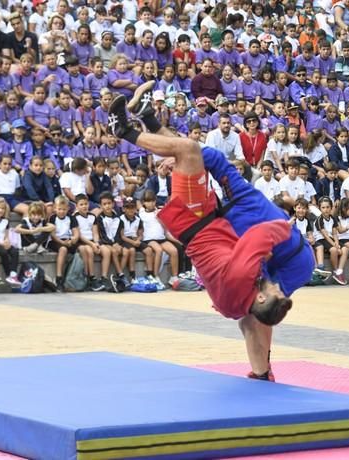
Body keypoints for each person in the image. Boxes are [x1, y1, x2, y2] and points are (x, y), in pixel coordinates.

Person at [109, 87, 312, 381]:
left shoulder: (241, 211)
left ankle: (262, 372)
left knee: (254, 318)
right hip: (255, 242)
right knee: (248, 319)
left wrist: (284, 225)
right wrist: (163, 140)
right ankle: (262, 372)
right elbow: (199, 154)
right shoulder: (236, 195)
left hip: (292, 260)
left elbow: (261, 240)